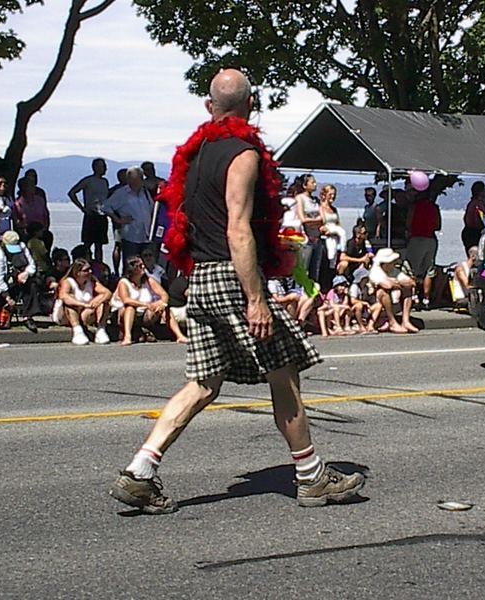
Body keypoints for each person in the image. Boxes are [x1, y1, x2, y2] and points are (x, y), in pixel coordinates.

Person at [109, 68, 363, 514]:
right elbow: (238, 227)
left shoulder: (194, 156)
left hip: (199, 278)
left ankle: (140, 471)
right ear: (251, 105)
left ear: (210, 107)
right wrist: (255, 298)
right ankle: (311, 476)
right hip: (231, 276)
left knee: (204, 383)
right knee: (283, 373)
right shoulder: (243, 154)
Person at [111, 255, 186, 345]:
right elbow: (126, 300)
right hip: (124, 314)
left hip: (145, 313)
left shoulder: (148, 279)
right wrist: (145, 305)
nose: (143, 267)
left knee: (165, 309)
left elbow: (164, 294)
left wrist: (161, 303)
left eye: (143, 265)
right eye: (139, 266)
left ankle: (179, 336)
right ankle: (127, 336)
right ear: (132, 269)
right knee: (130, 307)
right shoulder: (123, 282)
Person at [53, 258, 112, 345]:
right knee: (70, 301)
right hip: (66, 315)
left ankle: (101, 329)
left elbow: (107, 293)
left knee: (105, 301)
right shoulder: (67, 282)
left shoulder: (91, 281)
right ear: (77, 273)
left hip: (84, 313)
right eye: (86, 270)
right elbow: (64, 297)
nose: (90, 271)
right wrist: (83, 304)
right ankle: (77, 331)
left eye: (90, 269)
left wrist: (98, 302)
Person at [103, 166, 154, 261]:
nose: (135, 182)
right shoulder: (122, 193)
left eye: (137, 179)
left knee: (147, 264)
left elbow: (151, 208)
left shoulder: (145, 193)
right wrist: (117, 219)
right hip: (131, 235)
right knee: (131, 264)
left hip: (146, 235)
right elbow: (106, 207)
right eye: (132, 179)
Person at [68, 158, 109, 262]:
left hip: (102, 215)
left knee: (99, 245)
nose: (105, 168)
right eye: (102, 166)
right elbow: (72, 193)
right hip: (91, 215)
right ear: (95, 168)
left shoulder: (105, 181)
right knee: (87, 243)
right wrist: (82, 208)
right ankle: (85, 262)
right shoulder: (88, 180)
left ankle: (99, 265)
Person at [368, 248, 418, 334]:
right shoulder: (375, 272)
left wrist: (395, 283)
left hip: (395, 302)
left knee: (408, 289)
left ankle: (405, 321)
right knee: (382, 292)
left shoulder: (394, 270)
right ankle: (392, 322)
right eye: (392, 261)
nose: (395, 263)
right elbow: (387, 285)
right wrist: (397, 283)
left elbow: (411, 282)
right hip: (377, 306)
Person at [406, 188, 441, 309]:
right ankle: (426, 299)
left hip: (417, 238)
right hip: (431, 239)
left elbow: (408, 222)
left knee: (412, 269)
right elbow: (438, 226)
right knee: (429, 271)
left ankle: (414, 297)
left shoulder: (414, 206)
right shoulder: (434, 207)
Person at [294, 174, 324, 282]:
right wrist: (317, 220)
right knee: (304, 268)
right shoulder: (300, 198)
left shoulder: (316, 200)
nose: (315, 184)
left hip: (317, 238)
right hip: (306, 238)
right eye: (312, 182)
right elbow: (302, 219)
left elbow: (323, 217)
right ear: (305, 185)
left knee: (315, 270)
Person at [14, 176, 52, 250]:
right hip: (27, 232)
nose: (34, 188)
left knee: (48, 236)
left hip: (41, 231)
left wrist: (44, 229)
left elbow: (46, 216)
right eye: (30, 186)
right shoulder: (18, 204)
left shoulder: (40, 200)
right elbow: (16, 222)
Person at [319, 184, 347, 268]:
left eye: (334, 194)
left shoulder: (334, 209)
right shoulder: (320, 207)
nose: (333, 196)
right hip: (325, 238)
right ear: (324, 195)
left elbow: (338, 223)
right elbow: (321, 223)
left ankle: (342, 250)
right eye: (330, 194)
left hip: (335, 236)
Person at [108, 168, 128, 276]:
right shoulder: (127, 190)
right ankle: (118, 271)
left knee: (119, 246)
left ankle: (121, 270)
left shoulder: (113, 190)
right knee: (120, 246)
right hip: (121, 222)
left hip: (121, 221)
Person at [461, 181, 485, 253]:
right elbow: (477, 220)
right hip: (474, 232)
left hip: (471, 231)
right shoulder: (477, 204)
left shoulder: (473, 203)